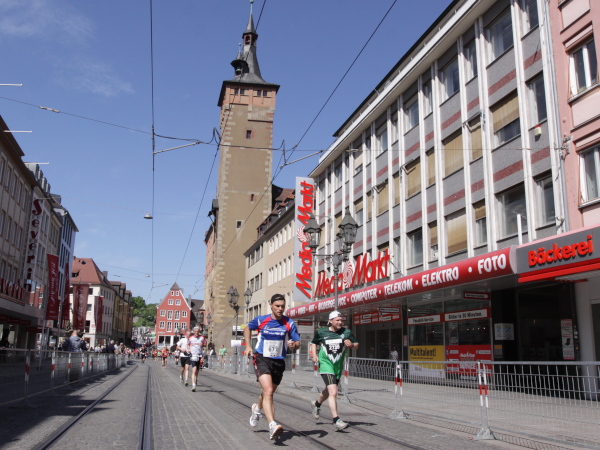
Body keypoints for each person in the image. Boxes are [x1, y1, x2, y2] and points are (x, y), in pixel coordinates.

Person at [244, 293, 300, 441]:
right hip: (262, 358)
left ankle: (257, 408)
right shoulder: (261, 320)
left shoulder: (289, 323)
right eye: (277, 306)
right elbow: (247, 328)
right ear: (271, 306)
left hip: (279, 362)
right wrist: (248, 346)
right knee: (268, 391)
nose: (280, 309)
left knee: (268, 392)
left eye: (282, 306)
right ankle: (272, 425)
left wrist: (293, 345)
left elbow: (297, 343)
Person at [310, 310, 359, 432]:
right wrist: (314, 355)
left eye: (341, 320)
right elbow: (313, 343)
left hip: (337, 365)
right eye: (337, 320)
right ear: (330, 321)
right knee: (334, 391)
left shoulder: (346, 332)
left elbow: (356, 345)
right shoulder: (321, 332)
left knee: (329, 390)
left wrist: (351, 345)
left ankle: (316, 404)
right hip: (326, 364)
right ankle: (336, 420)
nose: (340, 322)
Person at [188, 327, 206, 392]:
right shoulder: (190, 338)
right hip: (193, 355)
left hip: (199, 355)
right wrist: (189, 349)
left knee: (197, 371)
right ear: (193, 332)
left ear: (199, 332)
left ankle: (195, 379)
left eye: (197, 331)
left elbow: (205, 344)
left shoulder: (202, 337)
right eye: (195, 331)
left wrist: (203, 344)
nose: (196, 332)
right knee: (194, 370)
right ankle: (193, 386)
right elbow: (188, 344)